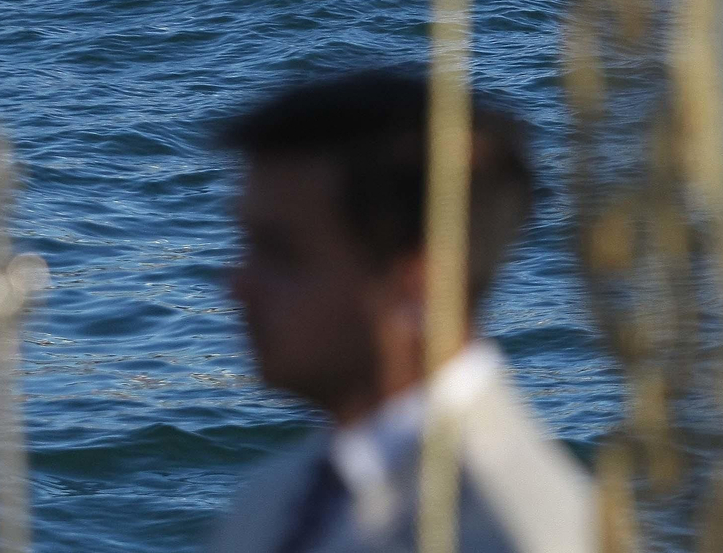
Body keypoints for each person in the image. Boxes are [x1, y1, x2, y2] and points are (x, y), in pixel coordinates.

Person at [209, 69, 592, 553]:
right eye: (246, 246)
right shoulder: (278, 495)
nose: (237, 286)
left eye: (281, 256)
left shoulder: (511, 532)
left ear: (419, 285)